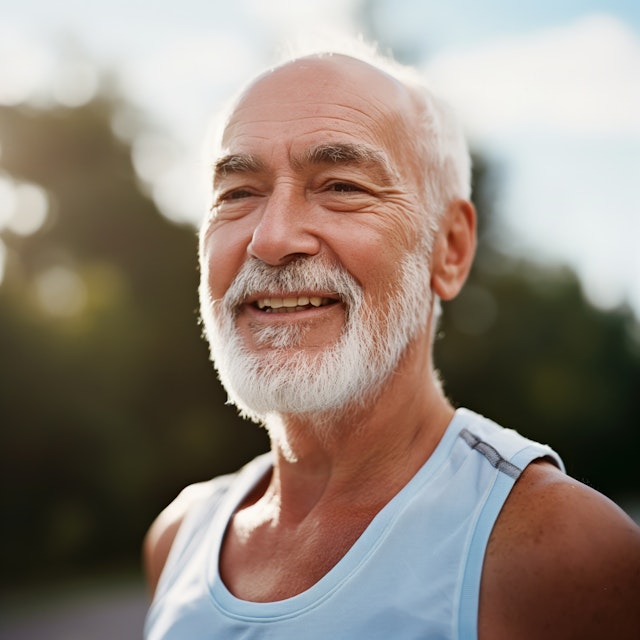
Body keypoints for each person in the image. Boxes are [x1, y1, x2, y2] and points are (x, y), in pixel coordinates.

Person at [143, 43, 640, 639]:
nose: (271, 239)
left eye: (341, 186)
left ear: (449, 249)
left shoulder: (556, 550)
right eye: (237, 193)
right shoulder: (179, 537)